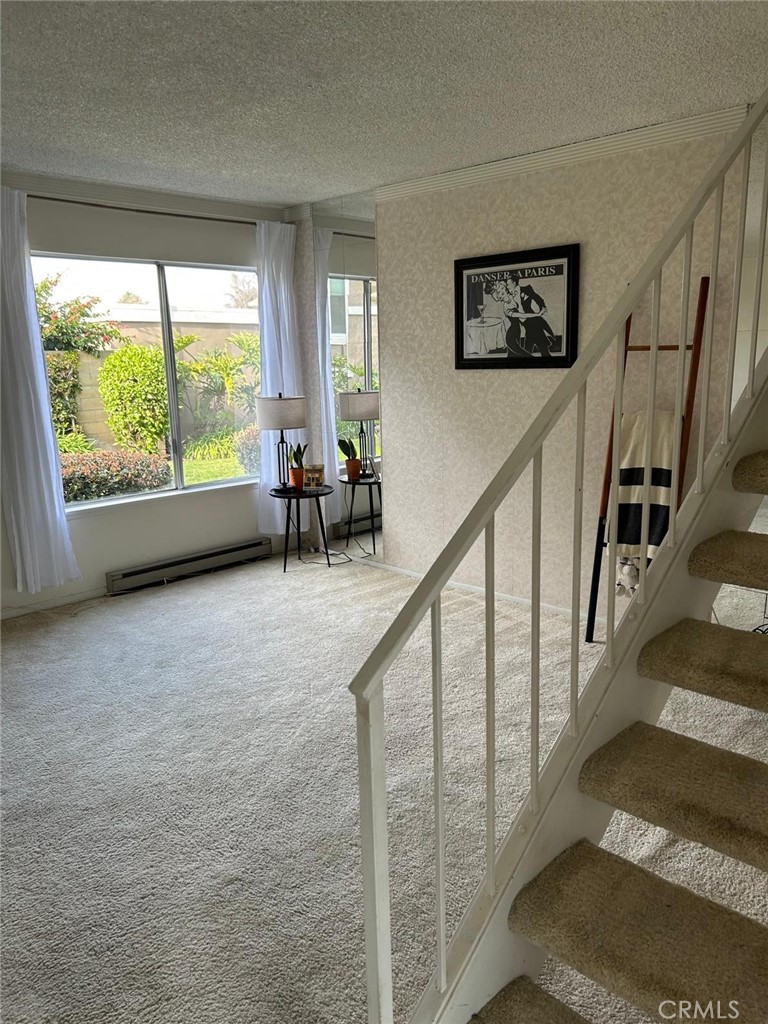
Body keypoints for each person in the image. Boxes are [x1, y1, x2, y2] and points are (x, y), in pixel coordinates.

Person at [503, 272, 557, 358]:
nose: (507, 286)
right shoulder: (508, 296)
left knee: (538, 350)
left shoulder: (527, 289)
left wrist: (542, 307)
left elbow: (538, 298)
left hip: (534, 323)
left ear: (514, 283)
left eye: (508, 284)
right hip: (527, 327)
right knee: (529, 351)